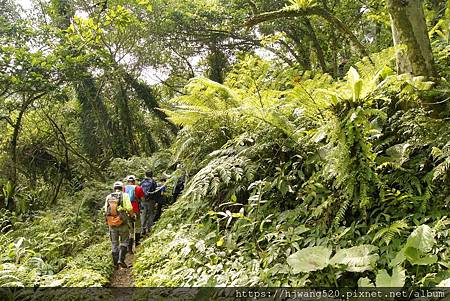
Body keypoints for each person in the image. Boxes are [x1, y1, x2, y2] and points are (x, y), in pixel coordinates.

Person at [104, 181, 134, 268]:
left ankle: (115, 265)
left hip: (112, 223)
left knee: (114, 243)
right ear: (122, 188)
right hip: (122, 222)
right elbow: (129, 208)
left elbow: (105, 210)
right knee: (124, 241)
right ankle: (121, 260)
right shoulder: (125, 195)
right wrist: (133, 215)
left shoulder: (109, 196)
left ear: (114, 188)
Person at [123, 175, 144, 252]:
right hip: (135, 209)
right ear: (134, 181)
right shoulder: (138, 188)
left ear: (128, 181)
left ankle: (129, 248)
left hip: (126, 210)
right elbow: (142, 199)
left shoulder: (124, 188)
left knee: (130, 228)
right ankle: (137, 245)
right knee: (137, 226)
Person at [139, 170, 157, 235]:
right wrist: (156, 201)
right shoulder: (153, 182)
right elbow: (155, 192)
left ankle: (142, 229)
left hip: (143, 200)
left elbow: (139, 191)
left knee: (143, 214)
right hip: (151, 200)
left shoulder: (142, 182)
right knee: (150, 214)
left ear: (145, 175)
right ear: (152, 175)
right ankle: (149, 229)